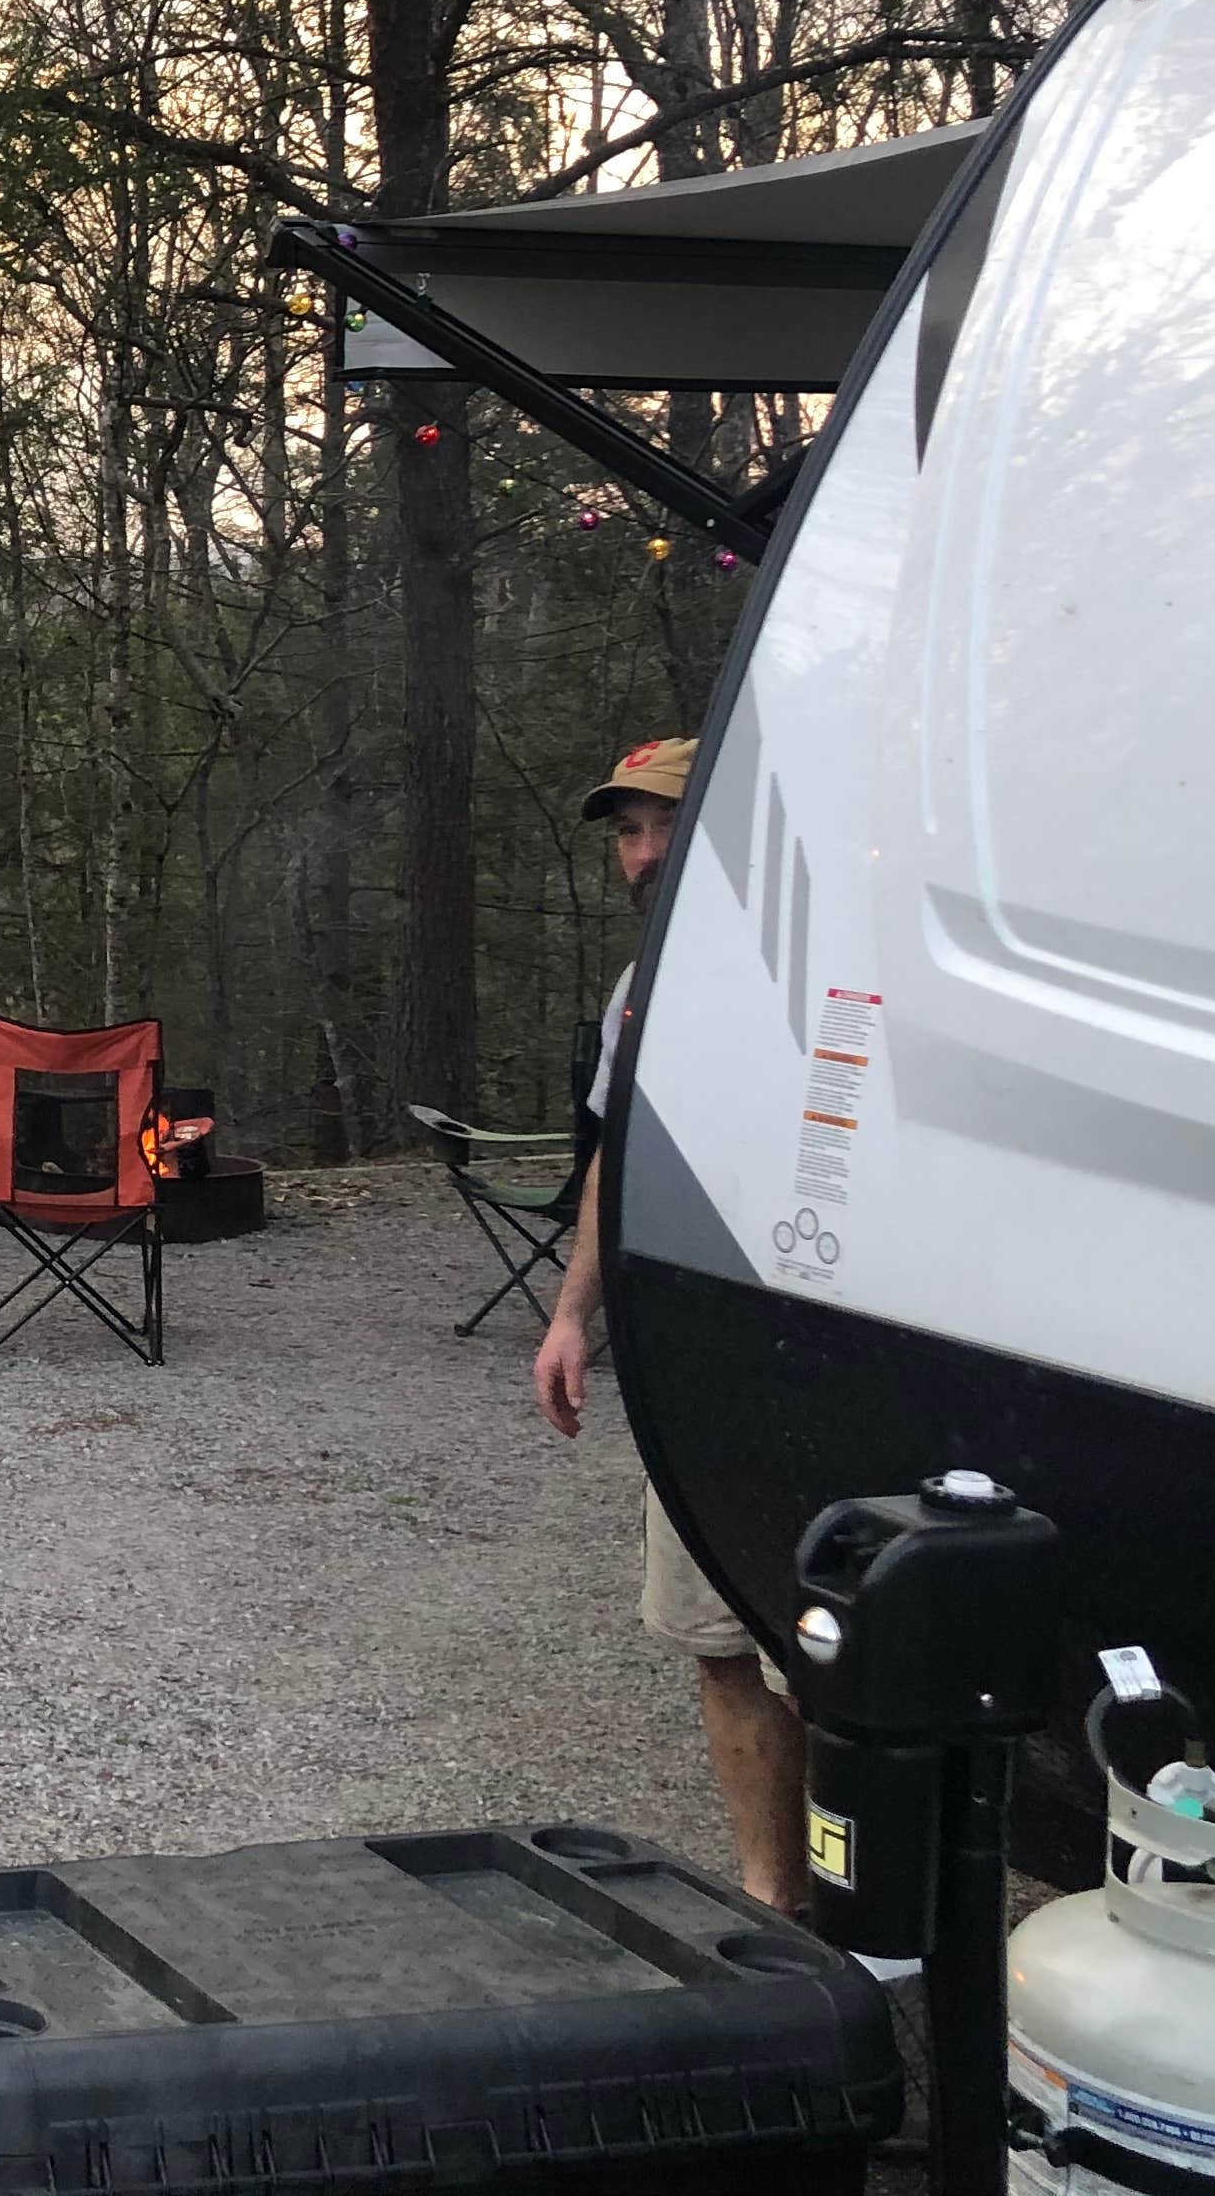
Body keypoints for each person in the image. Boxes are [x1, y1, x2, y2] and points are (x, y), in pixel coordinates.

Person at [531, 733, 813, 1915]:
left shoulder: (823, 966)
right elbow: (616, 1157)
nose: (642, 855)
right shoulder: (640, 990)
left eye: (665, 824)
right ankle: (771, 1898)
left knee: (826, 1651)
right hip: (685, 1358)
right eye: (627, 833)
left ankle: (881, 1920)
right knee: (713, 1634)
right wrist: (571, 1314)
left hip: (813, 1359)